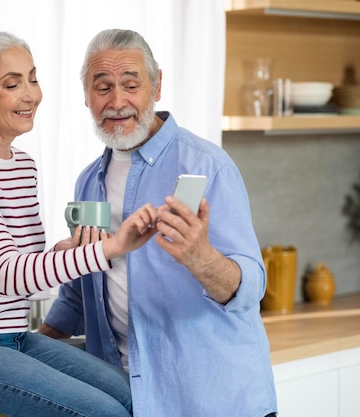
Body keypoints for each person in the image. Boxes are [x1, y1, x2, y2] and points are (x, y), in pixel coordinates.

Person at [0, 31, 159, 417]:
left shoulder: (21, 165)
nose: (31, 95)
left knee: (132, 397)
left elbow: (14, 259)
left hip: (12, 337)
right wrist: (110, 248)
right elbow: (8, 273)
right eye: (12, 84)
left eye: (33, 78)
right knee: (102, 413)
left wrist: (65, 252)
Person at [40, 29, 278, 417]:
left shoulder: (207, 166)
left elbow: (251, 288)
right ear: (86, 95)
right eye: (103, 87)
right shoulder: (87, 182)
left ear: (157, 86)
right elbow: (80, 296)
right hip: (129, 398)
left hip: (213, 400)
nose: (117, 102)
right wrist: (24, 347)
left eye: (131, 85)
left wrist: (201, 258)